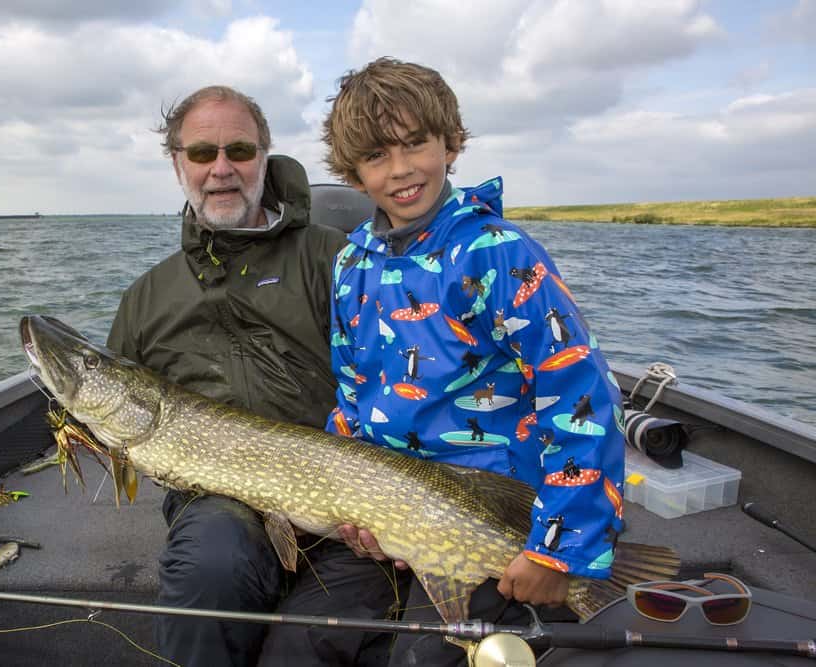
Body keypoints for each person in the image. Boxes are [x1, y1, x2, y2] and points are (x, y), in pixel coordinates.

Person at [262, 58, 626, 666]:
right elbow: (353, 395)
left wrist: (558, 552)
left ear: (451, 144)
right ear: (353, 174)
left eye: (415, 144)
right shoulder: (353, 266)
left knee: (423, 661)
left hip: (501, 512)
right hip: (389, 516)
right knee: (298, 646)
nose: (401, 170)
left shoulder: (496, 254)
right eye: (377, 156)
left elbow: (583, 396)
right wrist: (343, 504)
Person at [106, 85, 346, 667]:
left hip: (345, 477)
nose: (221, 169)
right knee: (211, 563)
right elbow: (112, 408)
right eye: (201, 154)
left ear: (264, 156)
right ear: (176, 163)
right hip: (217, 496)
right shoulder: (146, 297)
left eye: (239, 150)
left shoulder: (333, 257)